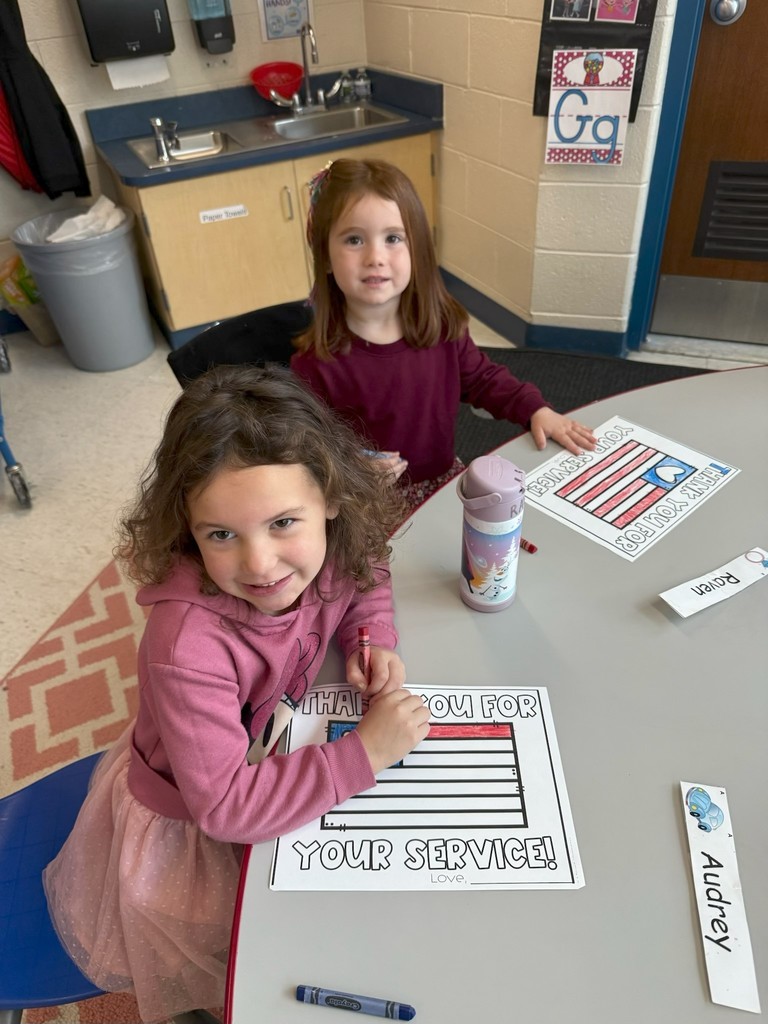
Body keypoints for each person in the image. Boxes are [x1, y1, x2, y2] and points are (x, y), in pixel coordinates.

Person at [43, 365, 430, 1024]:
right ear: (187, 529)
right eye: (221, 534)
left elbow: (368, 570)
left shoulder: (335, 541)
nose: (259, 563)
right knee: (252, 954)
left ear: (332, 501)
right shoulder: (186, 648)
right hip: (186, 828)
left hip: (264, 751)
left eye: (283, 522)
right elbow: (222, 806)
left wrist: (372, 635)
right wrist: (365, 754)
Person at [291, 158, 597, 513]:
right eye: (354, 239)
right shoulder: (315, 363)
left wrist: (536, 410)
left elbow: (484, 380)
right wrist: (349, 467)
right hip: (364, 501)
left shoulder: (441, 328)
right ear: (325, 256)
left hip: (442, 484)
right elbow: (309, 447)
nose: (375, 257)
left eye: (393, 238)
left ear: (417, 250)